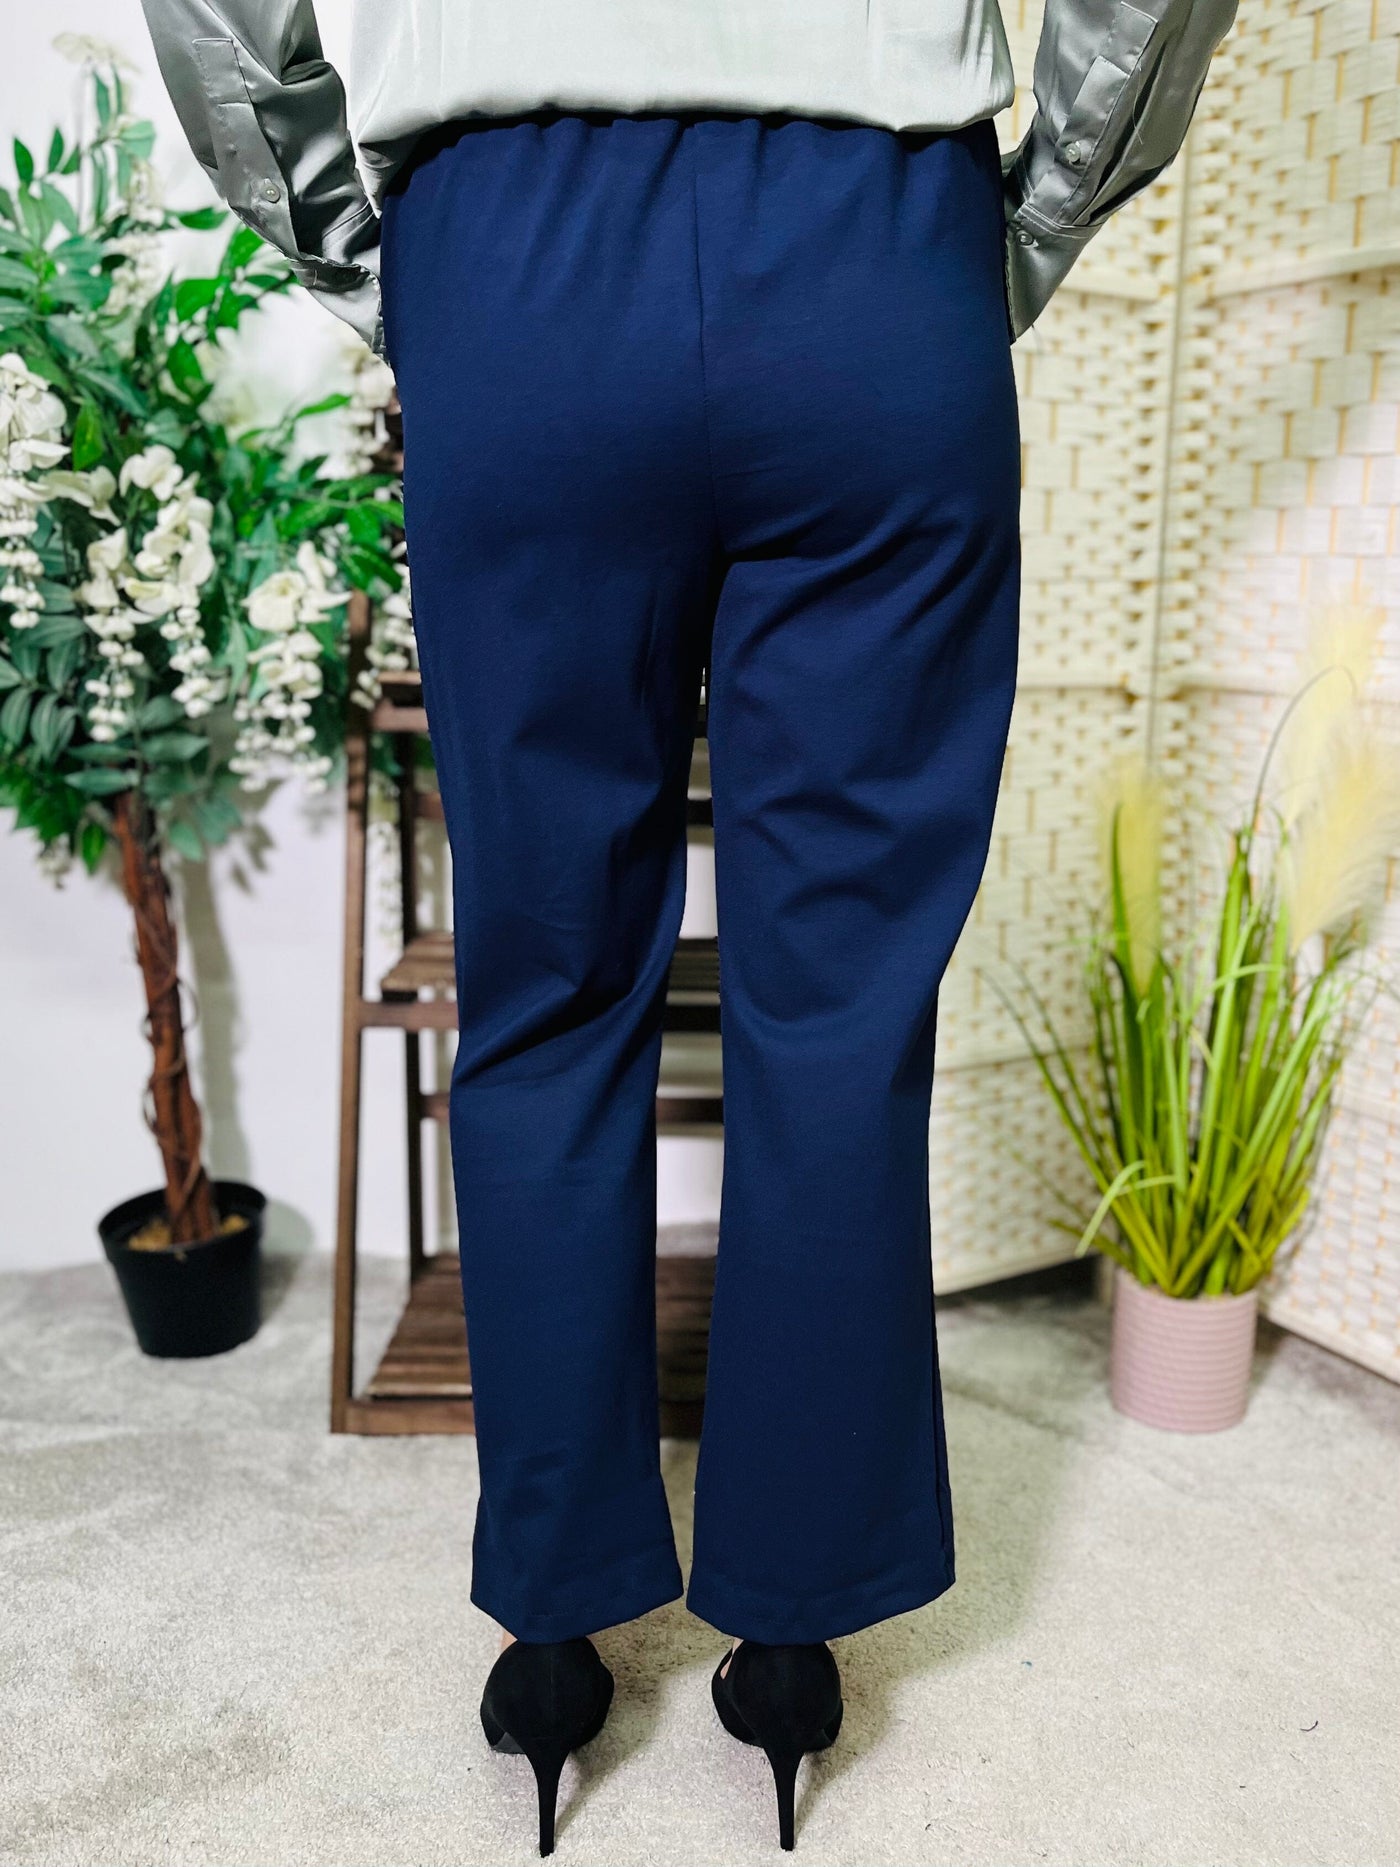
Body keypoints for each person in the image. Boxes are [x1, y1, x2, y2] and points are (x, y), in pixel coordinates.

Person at [138, 0, 1238, 1853]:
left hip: (513, 263)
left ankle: (555, 1632)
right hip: (878, 253)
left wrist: (359, 244)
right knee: (840, 1002)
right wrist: (1031, 215)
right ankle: (793, 1634)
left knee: (549, 986)